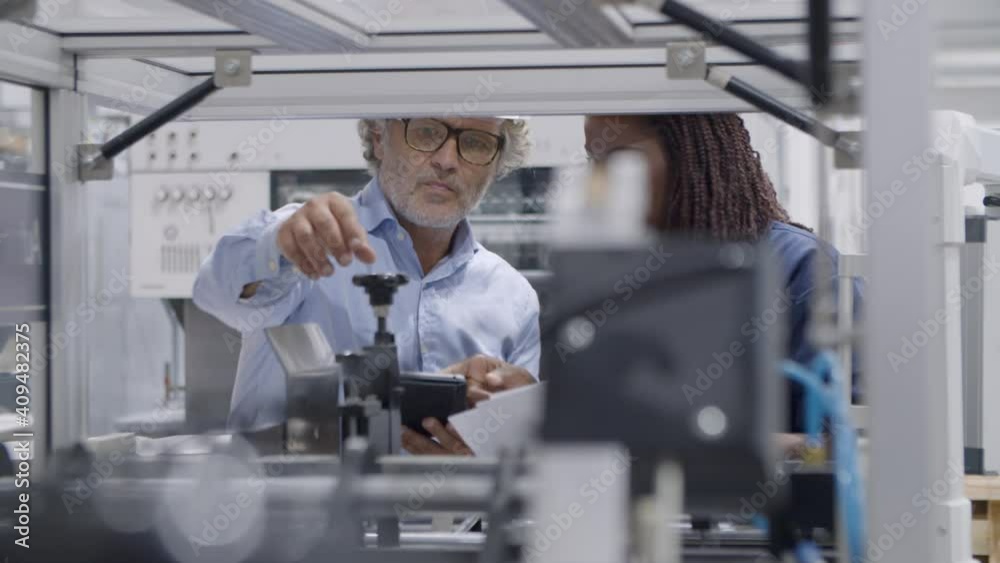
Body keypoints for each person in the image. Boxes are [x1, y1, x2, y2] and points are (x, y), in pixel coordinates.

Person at [193, 116, 541, 440]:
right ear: (379, 138)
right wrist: (279, 249)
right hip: (297, 505)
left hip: (450, 506)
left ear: (496, 165)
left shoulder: (513, 296)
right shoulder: (310, 237)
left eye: (477, 144)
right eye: (426, 133)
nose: (447, 159)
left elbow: (518, 454)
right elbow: (215, 291)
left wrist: (508, 427)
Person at [583, 113, 863, 433]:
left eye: (620, 158)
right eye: (594, 159)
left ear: (689, 155)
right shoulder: (621, 274)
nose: (602, 179)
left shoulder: (801, 266)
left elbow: (842, 440)